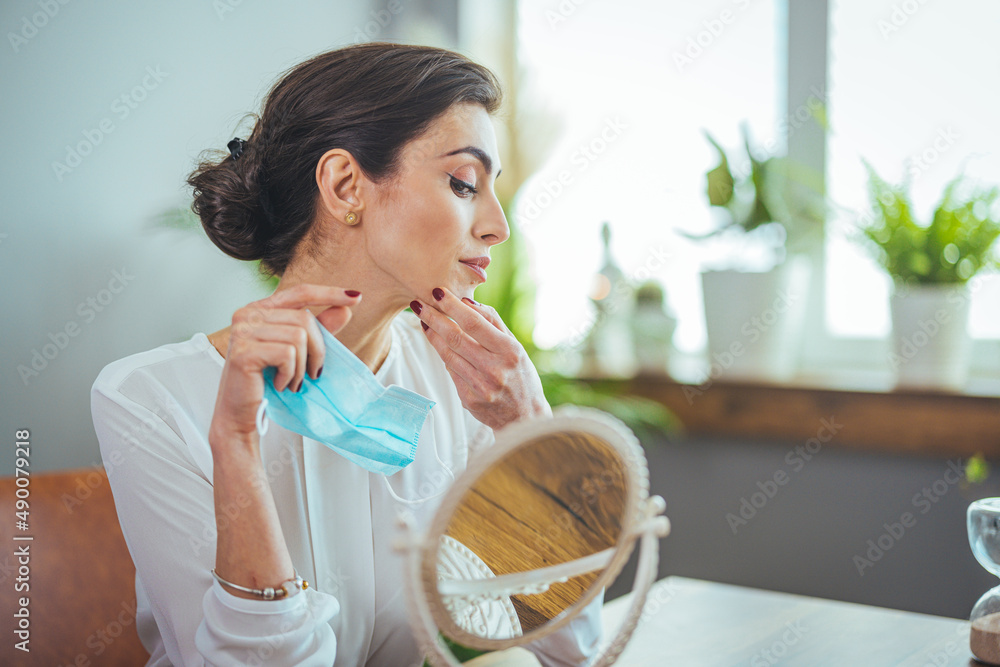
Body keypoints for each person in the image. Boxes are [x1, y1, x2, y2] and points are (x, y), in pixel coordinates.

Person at [90, 42, 602, 666]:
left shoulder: (467, 382)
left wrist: (529, 430)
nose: (498, 224)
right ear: (344, 185)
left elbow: (568, 647)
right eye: (464, 182)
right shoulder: (147, 399)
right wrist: (235, 447)